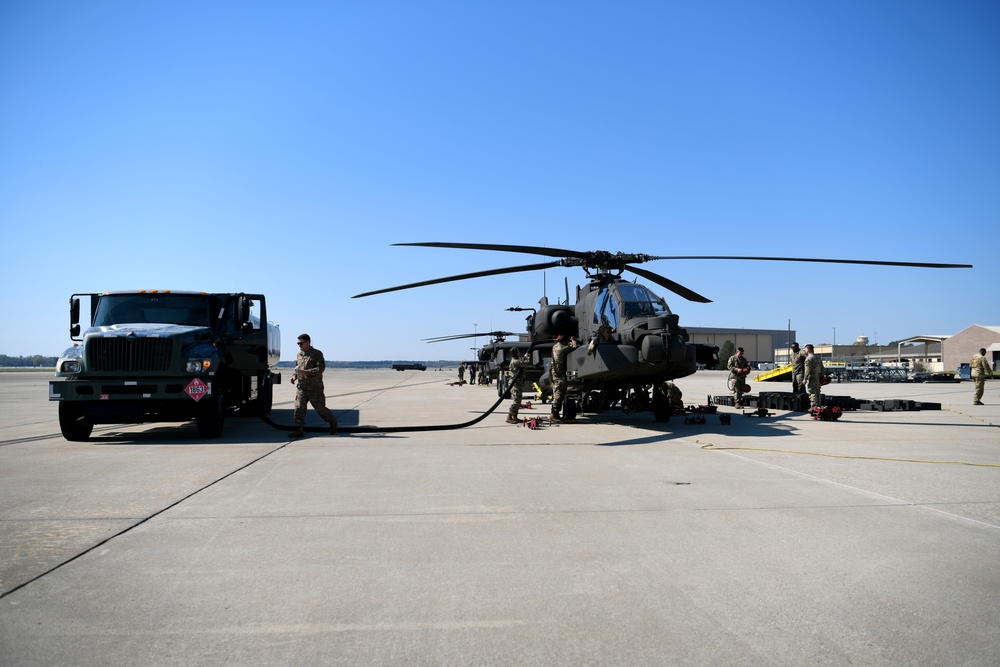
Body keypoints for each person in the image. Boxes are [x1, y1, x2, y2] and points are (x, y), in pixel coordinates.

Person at [288, 334, 337, 438]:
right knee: (299, 409)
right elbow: (298, 369)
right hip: (302, 387)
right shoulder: (299, 355)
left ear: (308, 342)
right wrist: (294, 377)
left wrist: (307, 372)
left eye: (301, 343)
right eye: (298, 343)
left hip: (314, 388)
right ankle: (299, 429)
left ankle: (332, 420)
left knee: (320, 408)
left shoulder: (316, 354)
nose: (299, 345)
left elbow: (320, 369)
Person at [550, 334, 578, 422]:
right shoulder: (564, 348)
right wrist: (573, 340)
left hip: (554, 373)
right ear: (564, 341)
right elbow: (574, 347)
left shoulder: (555, 346)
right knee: (559, 394)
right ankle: (553, 414)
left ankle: (556, 414)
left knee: (556, 393)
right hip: (559, 375)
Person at [505, 349, 528, 424]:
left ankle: (514, 416)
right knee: (516, 401)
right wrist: (527, 357)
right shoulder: (515, 361)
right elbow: (525, 364)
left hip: (518, 384)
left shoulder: (516, 360)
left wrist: (524, 357)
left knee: (518, 401)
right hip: (515, 384)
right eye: (518, 351)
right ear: (516, 353)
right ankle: (509, 416)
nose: (520, 352)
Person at [803, 344, 824, 411]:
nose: (804, 350)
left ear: (808, 350)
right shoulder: (818, 357)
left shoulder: (809, 359)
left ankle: (813, 406)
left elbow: (807, 370)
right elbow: (822, 368)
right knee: (818, 391)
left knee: (812, 392)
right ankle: (818, 405)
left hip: (812, 378)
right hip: (817, 377)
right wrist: (822, 376)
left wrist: (805, 379)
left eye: (805, 349)